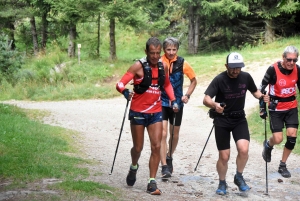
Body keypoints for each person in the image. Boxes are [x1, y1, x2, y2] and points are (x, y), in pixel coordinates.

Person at [116, 37, 178, 195]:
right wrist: (125, 92)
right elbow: (120, 83)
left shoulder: (163, 65)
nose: (155, 56)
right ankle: (134, 166)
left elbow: (167, 85)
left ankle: (152, 181)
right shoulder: (138, 66)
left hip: (155, 112)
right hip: (138, 111)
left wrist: (173, 100)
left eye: (158, 53)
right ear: (146, 52)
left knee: (156, 146)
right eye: (152, 53)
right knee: (138, 148)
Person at [203, 52, 269, 195]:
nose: (235, 70)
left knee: (244, 150)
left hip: (239, 118)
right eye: (232, 67)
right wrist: (215, 105)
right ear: (226, 66)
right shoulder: (220, 79)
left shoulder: (245, 77)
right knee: (224, 156)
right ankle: (222, 182)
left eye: (238, 67)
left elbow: (255, 92)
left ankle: (239, 177)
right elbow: (206, 99)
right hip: (222, 120)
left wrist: (262, 97)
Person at [159, 37, 197, 178]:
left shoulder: (183, 63)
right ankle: (164, 166)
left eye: (174, 49)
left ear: (177, 50)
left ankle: (169, 156)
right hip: (162, 101)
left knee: (174, 134)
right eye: (168, 49)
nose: (171, 52)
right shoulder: (159, 62)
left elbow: (194, 80)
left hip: (177, 103)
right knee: (162, 134)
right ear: (164, 49)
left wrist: (187, 95)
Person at [260, 45, 299, 178]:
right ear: (283, 58)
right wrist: (262, 107)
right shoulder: (273, 69)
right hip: (276, 108)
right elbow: (262, 88)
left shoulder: (297, 69)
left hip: (291, 107)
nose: (292, 63)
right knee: (278, 138)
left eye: (295, 60)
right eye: (289, 59)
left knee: (292, 137)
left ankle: (283, 165)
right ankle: (268, 145)